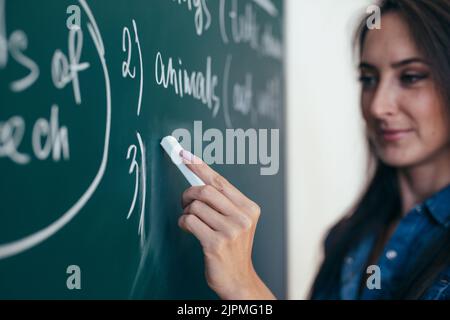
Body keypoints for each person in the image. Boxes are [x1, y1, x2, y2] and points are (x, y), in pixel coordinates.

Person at [177, 0, 450, 300]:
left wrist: (244, 288)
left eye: (410, 77)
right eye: (368, 79)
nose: (378, 105)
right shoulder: (347, 237)